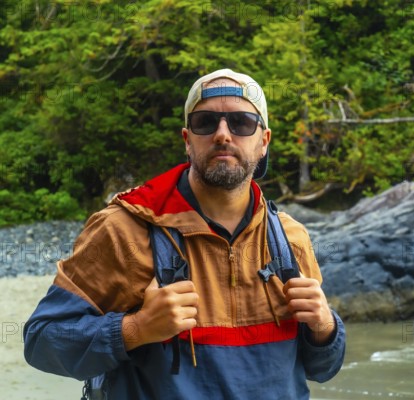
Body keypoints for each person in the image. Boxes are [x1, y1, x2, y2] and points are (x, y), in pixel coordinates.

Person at [23, 68, 345, 399]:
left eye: (241, 123)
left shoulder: (290, 239)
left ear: (263, 142)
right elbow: (41, 341)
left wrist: (325, 328)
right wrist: (136, 329)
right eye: (206, 122)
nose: (223, 134)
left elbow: (323, 368)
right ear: (187, 140)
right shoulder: (123, 229)